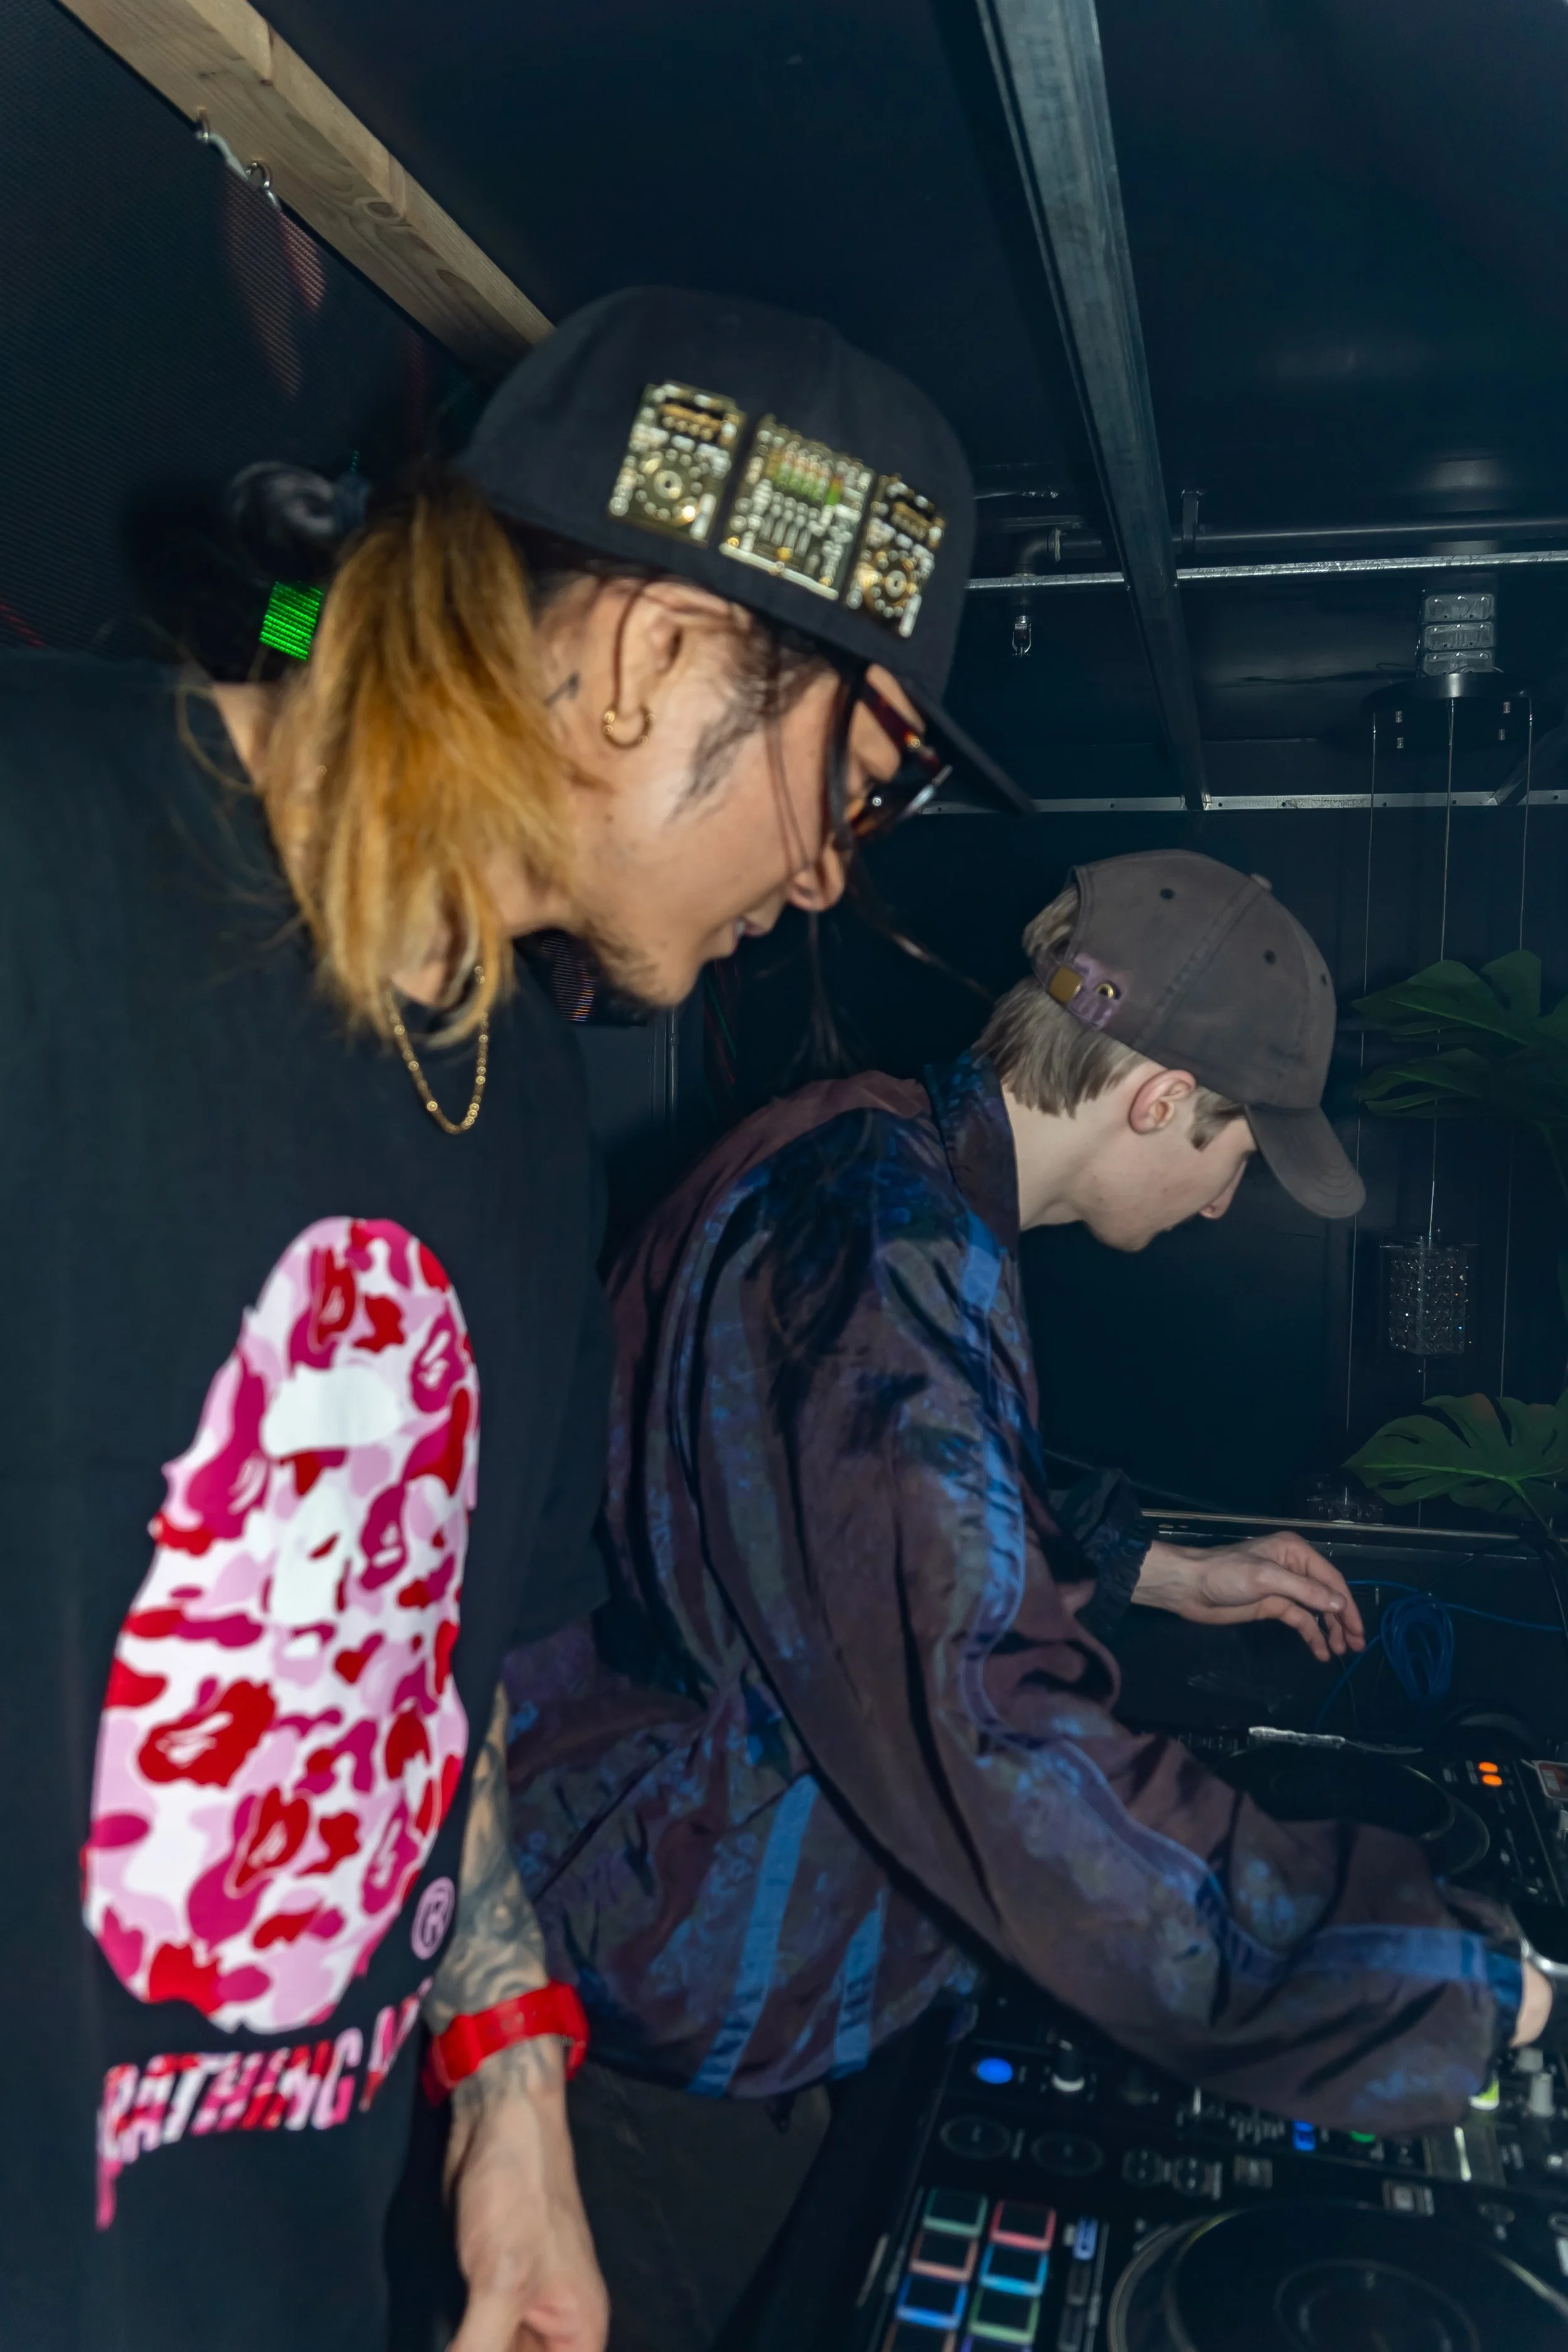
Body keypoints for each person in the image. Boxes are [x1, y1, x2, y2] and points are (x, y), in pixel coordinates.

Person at [0, 286, 1024, 2350]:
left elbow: (418, 1675)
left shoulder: (522, 1099)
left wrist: (511, 2081)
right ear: (657, 655)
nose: (833, 875)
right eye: (864, 779)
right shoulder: (39, 859)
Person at [505, 848, 1554, 2351]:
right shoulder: (882, 1250)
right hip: (675, 2046)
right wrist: (1426, 1980)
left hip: (692, 1987)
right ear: (1151, 1097)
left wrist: (1149, 1567)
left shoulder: (870, 1167)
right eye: (1234, 1155)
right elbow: (990, 1727)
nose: (1214, 1208)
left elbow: (862, 1501)